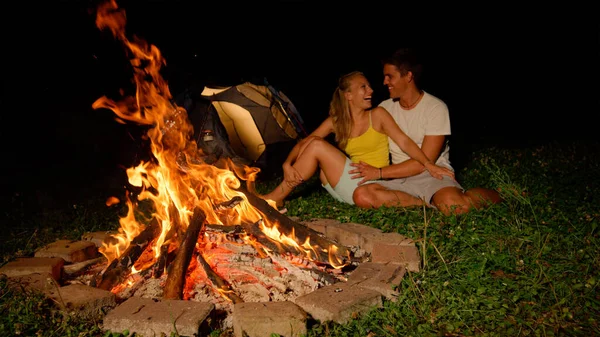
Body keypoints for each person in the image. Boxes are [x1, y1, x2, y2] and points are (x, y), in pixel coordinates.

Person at [259, 71, 455, 209]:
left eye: (369, 86)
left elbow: (403, 141)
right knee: (313, 143)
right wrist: (287, 163)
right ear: (349, 95)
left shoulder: (378, 114)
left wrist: (429, 164)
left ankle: (276, 198)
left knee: (317, 145)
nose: (370, 91)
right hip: (346, 183)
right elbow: (304, 142)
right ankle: (277, 197)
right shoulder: (336, 121)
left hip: (367, 182)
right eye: (364, 87)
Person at [350, 48, 502, 216]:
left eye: (390, 76)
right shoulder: (385, 108)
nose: (385, 82)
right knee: (362, 195)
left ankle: (498, 194)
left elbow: (423, 162)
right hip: (398, 177)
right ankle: (424, 205)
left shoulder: (435, 108)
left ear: (408, 76)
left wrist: (379, 172)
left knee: (456, 206)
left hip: (431, 173)